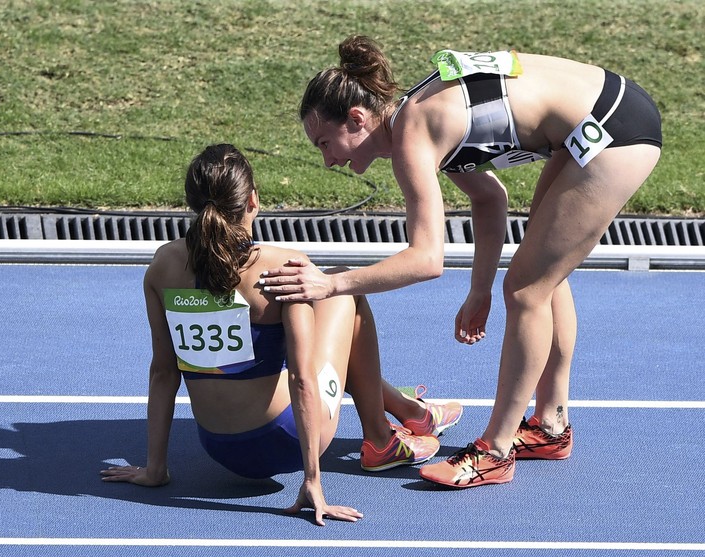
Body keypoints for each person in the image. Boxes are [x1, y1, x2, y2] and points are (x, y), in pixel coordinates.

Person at [259, 37, 661, 488]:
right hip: (606, 114)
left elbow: (426, 259)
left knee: (528, 289)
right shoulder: (421, 117)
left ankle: (494, 451)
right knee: (544, 270)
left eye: (325, 143)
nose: (328, 159)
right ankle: (550, 424)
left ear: (357, 118)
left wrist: (329, 285)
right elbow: (490, 199)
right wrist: (479, 289)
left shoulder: (415, 132)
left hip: (614, 130)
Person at [100, 144, 463, 523]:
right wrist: (312, 481)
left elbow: (163, 372)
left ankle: (409, 411)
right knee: (344, 290)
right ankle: (380, 440)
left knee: (313, 333)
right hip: (285, 441)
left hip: (219, 448)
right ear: (253, 200)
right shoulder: (282, 267)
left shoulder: (162, 266)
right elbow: (302, 378)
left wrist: (154, 468)